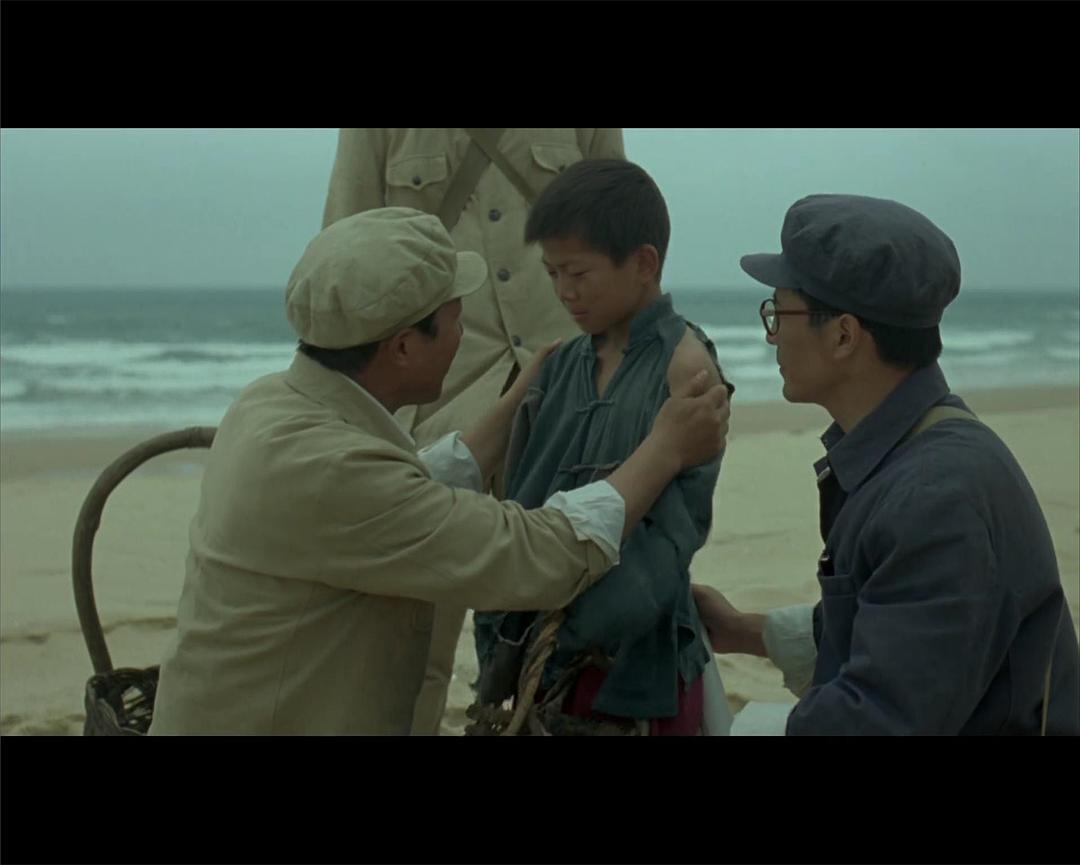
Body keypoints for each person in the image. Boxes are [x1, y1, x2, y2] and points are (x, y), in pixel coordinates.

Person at [149, 207, 730, 735]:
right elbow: (534, 554)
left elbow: (406, 490)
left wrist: (514, 405)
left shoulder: (270, 404)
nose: (463, 335)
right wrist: (665, 449)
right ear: (404, 347)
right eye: (457, 320)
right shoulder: (336, 473)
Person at [692, 193, 1080, 735]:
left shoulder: (936, 497)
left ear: (844, 335)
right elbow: (893, 620)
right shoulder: (913, 445)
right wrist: (742, 631)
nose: (772, 334)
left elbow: (879, 716)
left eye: (779, 312)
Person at [322, 127, 626, 733]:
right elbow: (342, 260)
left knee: (579, 638)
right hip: (431, 409)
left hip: (569, 403)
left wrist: (629, 381)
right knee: (411, 650)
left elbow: (620, 237)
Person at [472, 159, 736, 736]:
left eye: (578, 272)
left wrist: (570, 628)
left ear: (643, 263)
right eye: (552, 273)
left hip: (633, 667)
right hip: (534, 657)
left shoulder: (686, 368)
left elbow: (673, 533)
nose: (563, 291)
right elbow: (517, 501)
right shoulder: (557, 366)